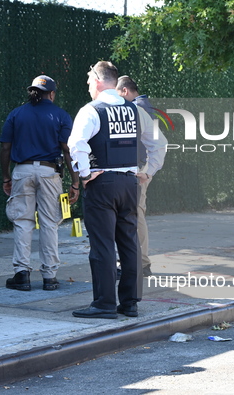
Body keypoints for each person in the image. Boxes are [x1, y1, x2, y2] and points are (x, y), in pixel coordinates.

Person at [68, 61, 165, 319]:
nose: (88, 86)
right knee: (129, 244)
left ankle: (104, 304)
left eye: (89, 81)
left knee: (102, 246)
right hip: (130, 183)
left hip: (103, 184)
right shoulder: (135, 111)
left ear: (99, 80)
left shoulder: (91, 110)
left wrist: (86, 174)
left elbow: (75, 144)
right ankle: (130, 303)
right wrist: (147, 172)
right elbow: (159, 143)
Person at [0, 75, 78, 292]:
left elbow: (5, 148)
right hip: (50, 171)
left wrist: (6, 177)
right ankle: (50, 277)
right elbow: (67, 149)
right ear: (51, 94)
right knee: (49, 223)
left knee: (23, 221)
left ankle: (22, 274)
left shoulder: (17, 113)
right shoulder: (60, 115)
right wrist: (76, 182)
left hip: (22, 170)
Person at [116, 75, 167, 277]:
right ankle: (138, 262)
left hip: (139, 171)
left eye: (118, 95)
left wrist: (146, 171)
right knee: (135, 215)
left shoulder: (140, 109)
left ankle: (140, 263)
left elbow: (156, 144)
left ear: (125, 91)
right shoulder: (145, 106)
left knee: (135, 216)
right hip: (141, 169)